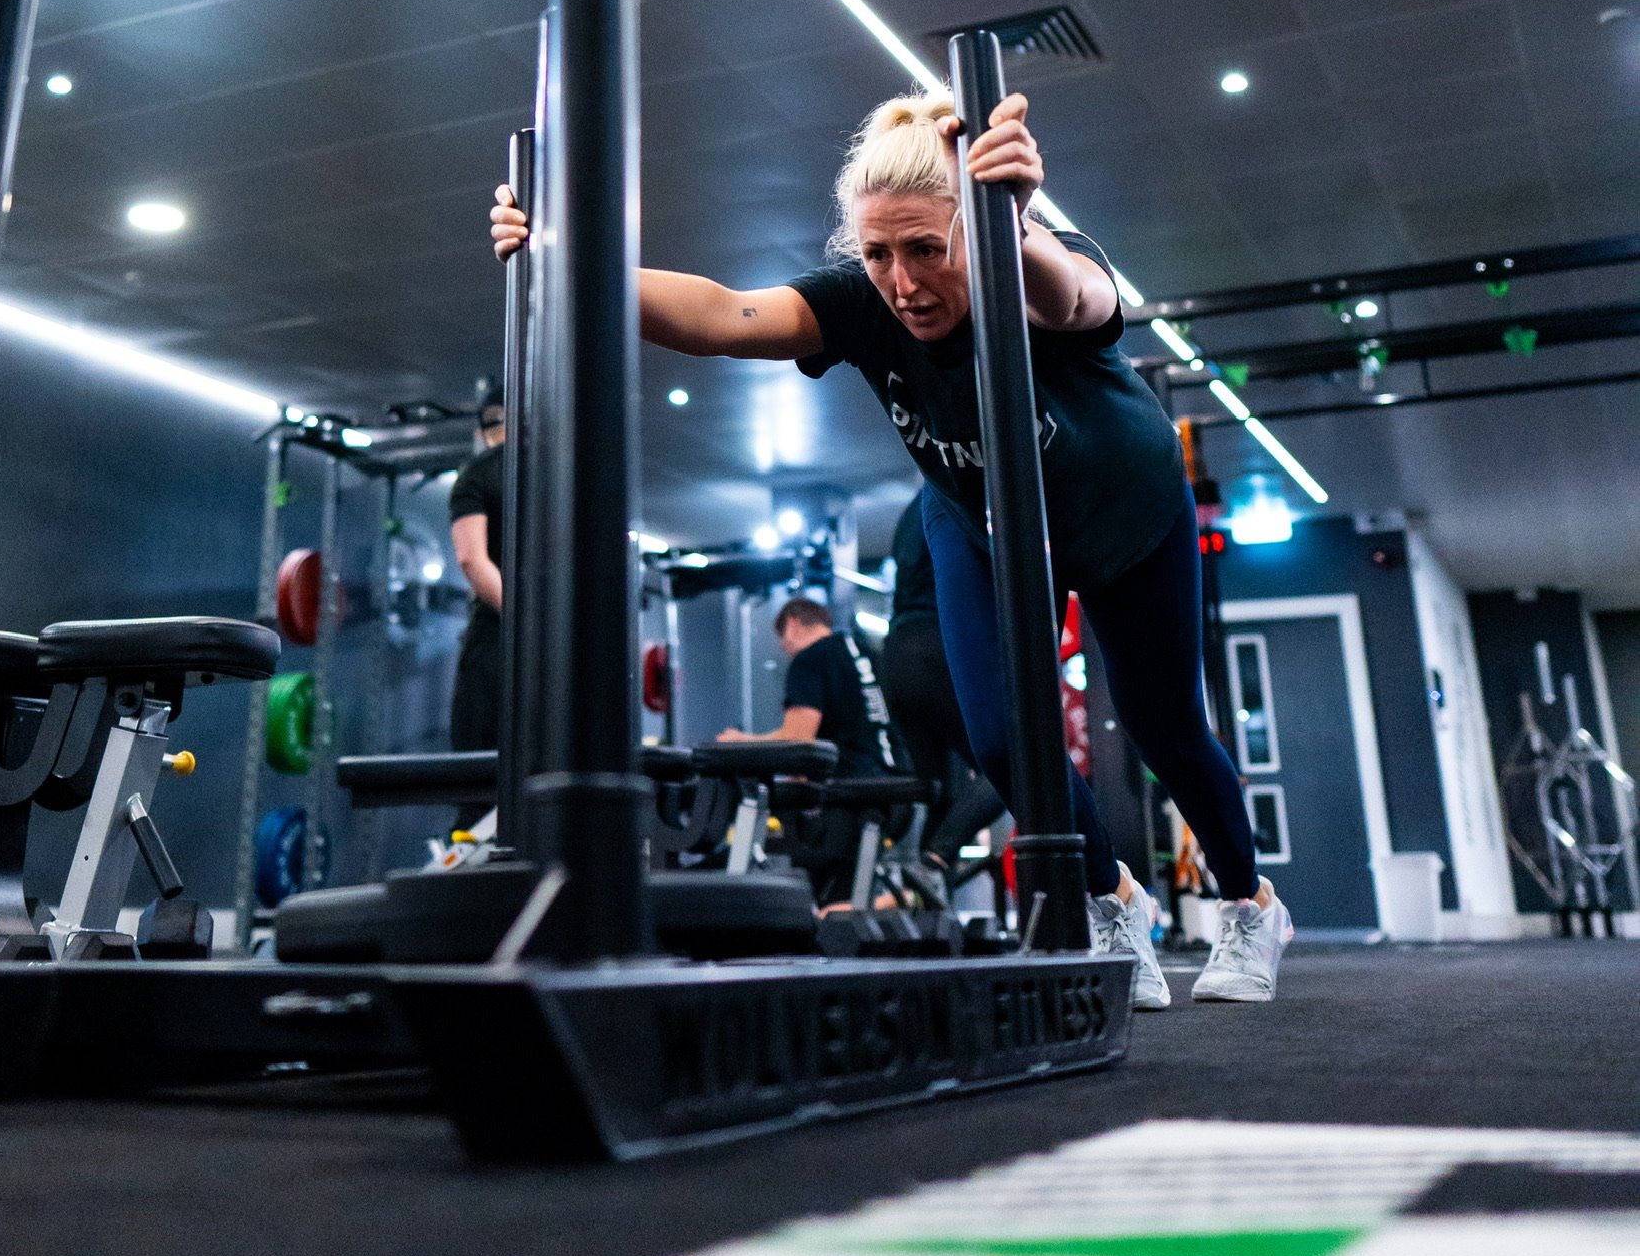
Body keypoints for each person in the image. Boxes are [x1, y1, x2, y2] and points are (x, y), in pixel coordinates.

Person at [491, 89, 1291, 1008]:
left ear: (973, 232)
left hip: (1127, 513)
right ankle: (1110, 899)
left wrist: (1017, 227)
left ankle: (1248, 903)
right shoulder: (865, 305)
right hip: (977, 516)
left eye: (926, 250)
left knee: (1167, 731)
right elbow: (720, 317)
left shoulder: (1032, 272)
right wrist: (563, 258)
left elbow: (1073, 297)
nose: (903, 282)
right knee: (999, 737)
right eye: (877, 254)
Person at [718, 596, 898, 904]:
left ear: (792, 626)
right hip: (895, 794)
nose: (785, 650)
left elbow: (798, 740)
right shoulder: (867, 652)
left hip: (848, 799)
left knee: (833, 903)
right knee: (854, 892)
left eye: (782, 643)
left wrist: (740, 741)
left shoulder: (810, 659)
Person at [881, 489, 1007, 891]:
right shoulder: (961, 495)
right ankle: (936, 858)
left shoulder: (911, 509)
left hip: (897, 654)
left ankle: (930, 901)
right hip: (938, 647)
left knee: (939, 789)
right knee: (1013, 764)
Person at [446, 392, 506, 763]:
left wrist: (524, 619)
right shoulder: (564, 474)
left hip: (498, 640)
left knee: (479, 777)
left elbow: (471, 559)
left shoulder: (478, 473)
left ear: (483, 430)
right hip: (560, 645)